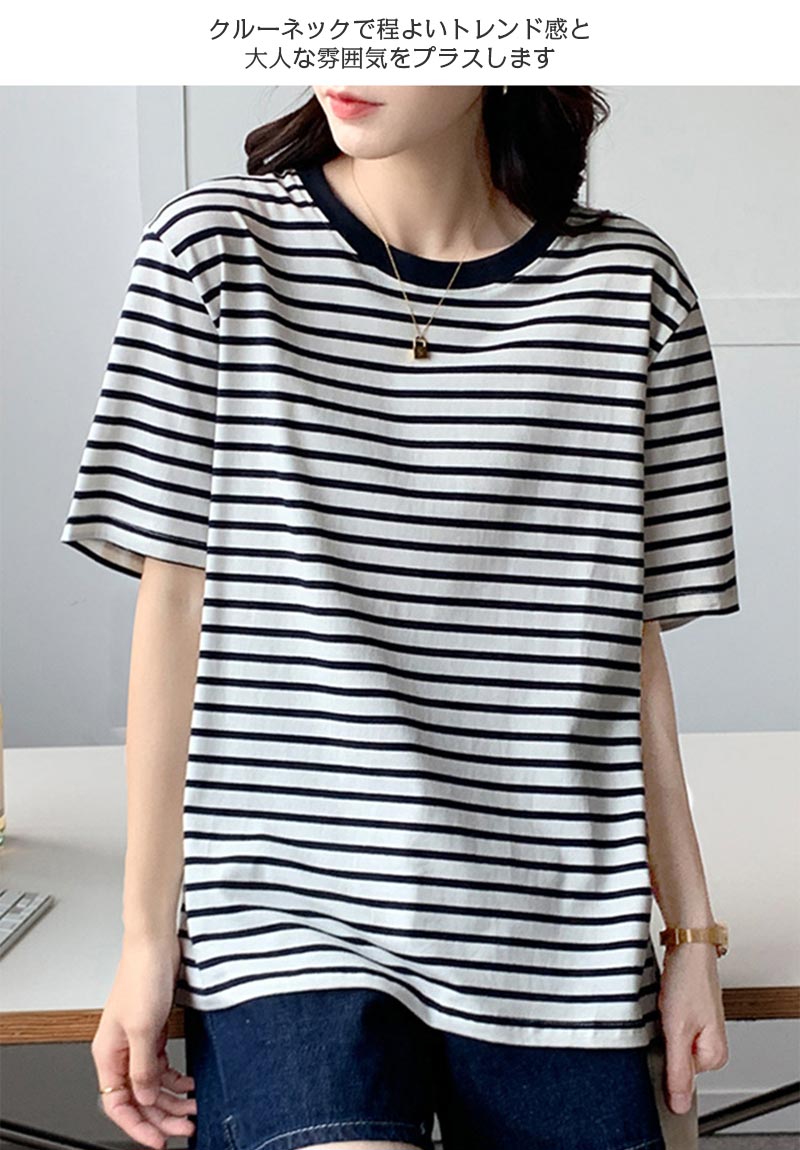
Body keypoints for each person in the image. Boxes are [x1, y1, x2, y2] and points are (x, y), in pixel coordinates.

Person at [62, 85, 739, 1150]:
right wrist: (146, 944)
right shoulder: (212, 255)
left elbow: (629, 650)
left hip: (549, 917)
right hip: (290, 914)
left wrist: (690, 933)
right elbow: (174, 611)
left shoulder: (628, 287)